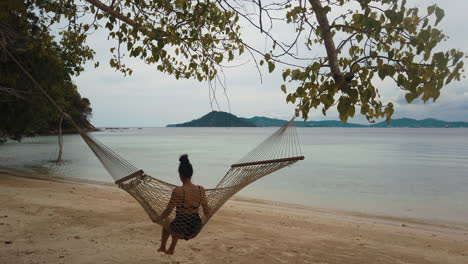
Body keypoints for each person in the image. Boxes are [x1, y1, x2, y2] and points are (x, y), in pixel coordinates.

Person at [157, 154, 211, 255]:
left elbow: (168, 211)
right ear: (191, 174)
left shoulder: (178, 191)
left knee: (169, 221)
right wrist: (211, 209)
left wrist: (158, 219)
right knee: (178, 221)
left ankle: (163, 247)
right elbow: (207, 212)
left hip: (180, 229)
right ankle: (170, 249)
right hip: (195, 228)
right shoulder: (201, 190)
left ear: (180, 175)